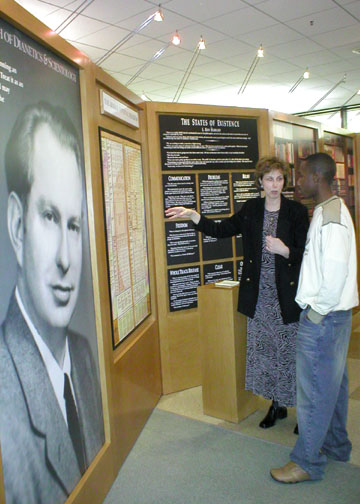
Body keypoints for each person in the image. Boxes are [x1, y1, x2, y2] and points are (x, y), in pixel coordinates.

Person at [0, 102, 104, 504]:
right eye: (48, 216)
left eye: (74, 225)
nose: (65, 257)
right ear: (16, 224)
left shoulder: (82, 355)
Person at [166, 157, 309, 429]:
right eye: (269, 179)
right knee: (266, 354)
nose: (275, 185)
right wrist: (194, 215)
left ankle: (301, 410)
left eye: (279, 179)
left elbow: (306, 254)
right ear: (260, 183)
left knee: (291, 354)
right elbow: (222, 230)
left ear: (284, 182)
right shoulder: (252, 209)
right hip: (260, 296)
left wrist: (285, 250)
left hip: (287, 297)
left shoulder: (296, 212)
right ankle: (276, 405)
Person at [271, 152, 359, 483]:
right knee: (333, 388)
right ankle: (336, 445)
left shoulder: (331, 217)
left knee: (314, 392)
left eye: (301, 176)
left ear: (317, 179)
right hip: (333, 318)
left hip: (325, 318)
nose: (295, 182)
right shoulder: (326, 210)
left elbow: (334, 275)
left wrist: (316, 316)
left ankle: (307, 462)